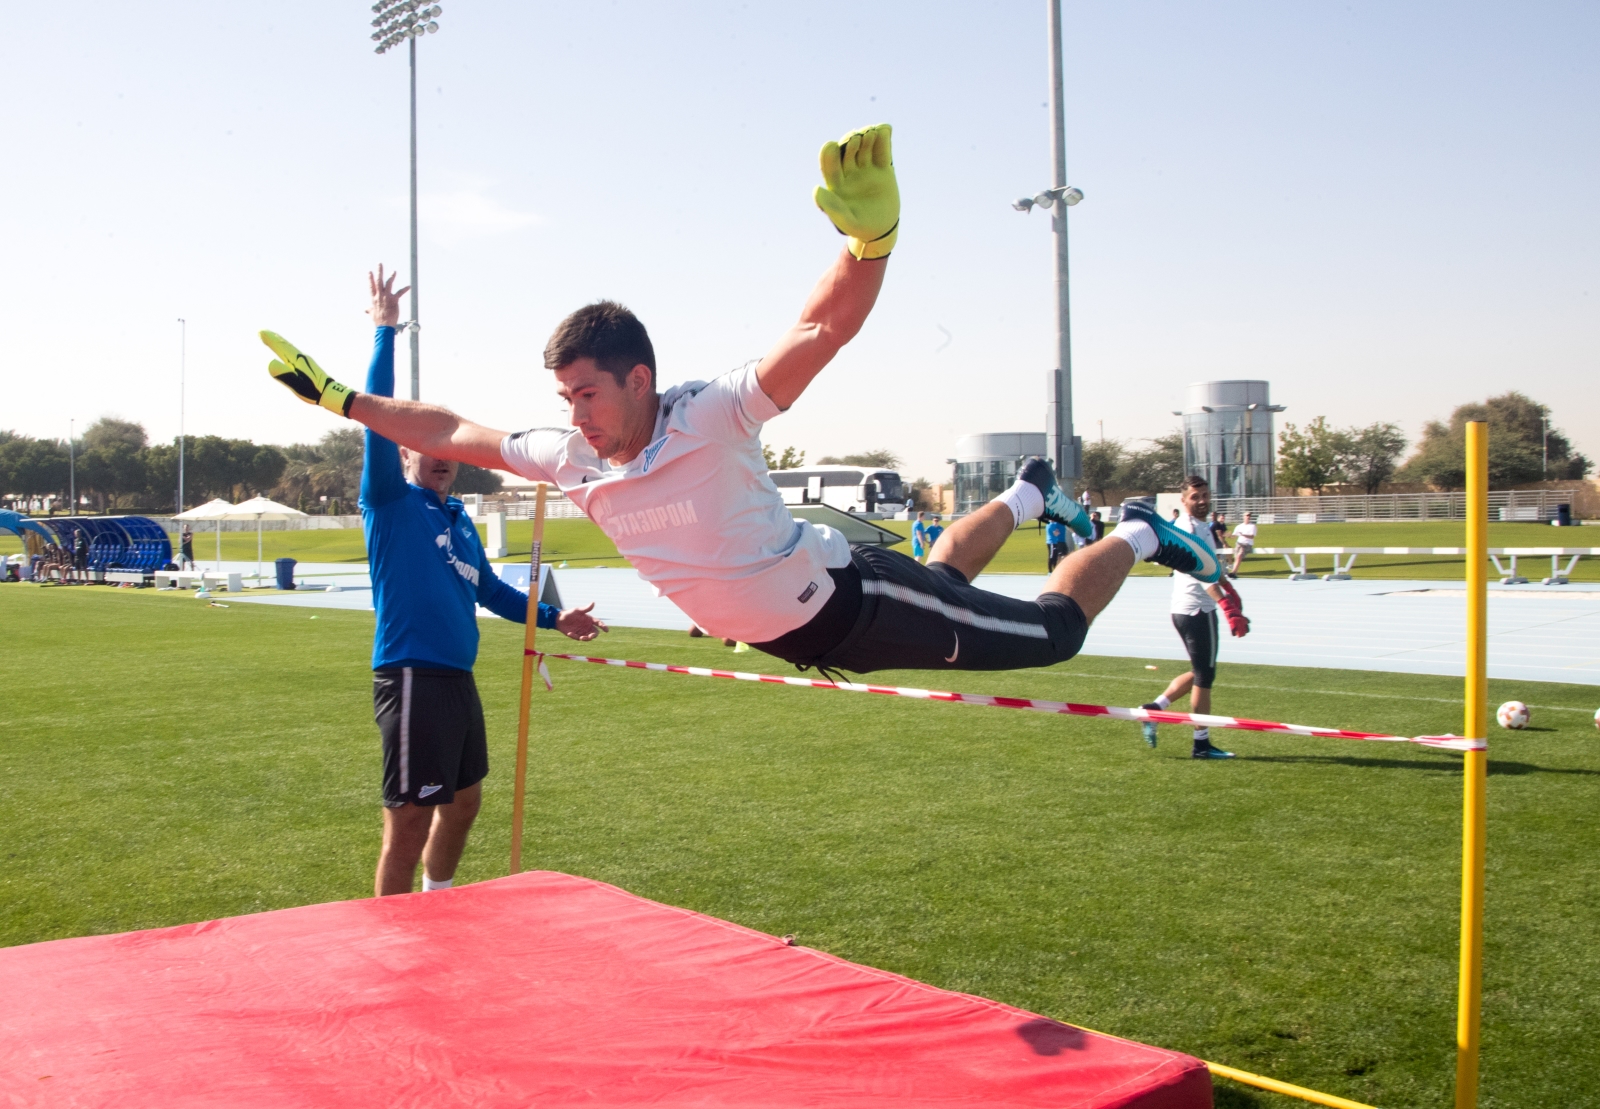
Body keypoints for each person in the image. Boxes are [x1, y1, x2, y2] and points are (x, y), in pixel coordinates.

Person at [264, 123, 1221, 679]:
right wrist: (346, 400)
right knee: (948, 577)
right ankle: (1027, 493)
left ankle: (1141, 530)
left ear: (639, 378)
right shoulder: (570, 456)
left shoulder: (708, 414)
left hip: (854, 607)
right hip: (804, 627)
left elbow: (819, 331)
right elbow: (451, 429)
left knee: (1051, 636)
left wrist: (869, 245)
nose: (575, 413)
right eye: (564, 396)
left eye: (587, 392)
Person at [358, 266, 606, 897]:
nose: (442, 459)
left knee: (464, 804)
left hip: (456, 679)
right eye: (426, 448)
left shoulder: (460, 521)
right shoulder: (390, 504)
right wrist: (386, 332)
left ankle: (436, 903)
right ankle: (393, 933)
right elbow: (376, 418)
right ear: (405, 451)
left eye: (450, 451)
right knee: (408, 824)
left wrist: (554, 618)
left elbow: (491, 592)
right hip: (411, 679)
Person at [1138, 476, 1250, 759]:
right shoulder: (1188, 528)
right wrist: (1226, 606)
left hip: (1189, 609)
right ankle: (1201, 744)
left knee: (1201, 670)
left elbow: (1210, 566)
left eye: (1205, 495)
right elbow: (1200, 573)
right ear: (1184, 500)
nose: (1201, 501)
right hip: (1197, 609)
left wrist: (1229, 587)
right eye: (1195, 497)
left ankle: (1154, 709)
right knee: (1204, 676)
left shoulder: (1201, 526)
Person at [1229, 511, 1257, 578]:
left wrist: (1243, 535)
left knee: (1239, 555)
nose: (1248, 517)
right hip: (1239, 543)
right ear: (1243, 517)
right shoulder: (1239, 526)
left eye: (1249, 516)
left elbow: (1252, 536)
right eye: (1247, 515)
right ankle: (1234, 573)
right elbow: (1234, 536)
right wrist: (1228, 535)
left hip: (1247, 544)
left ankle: (1233, 572)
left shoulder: (1252, 526)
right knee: (1237, 557)